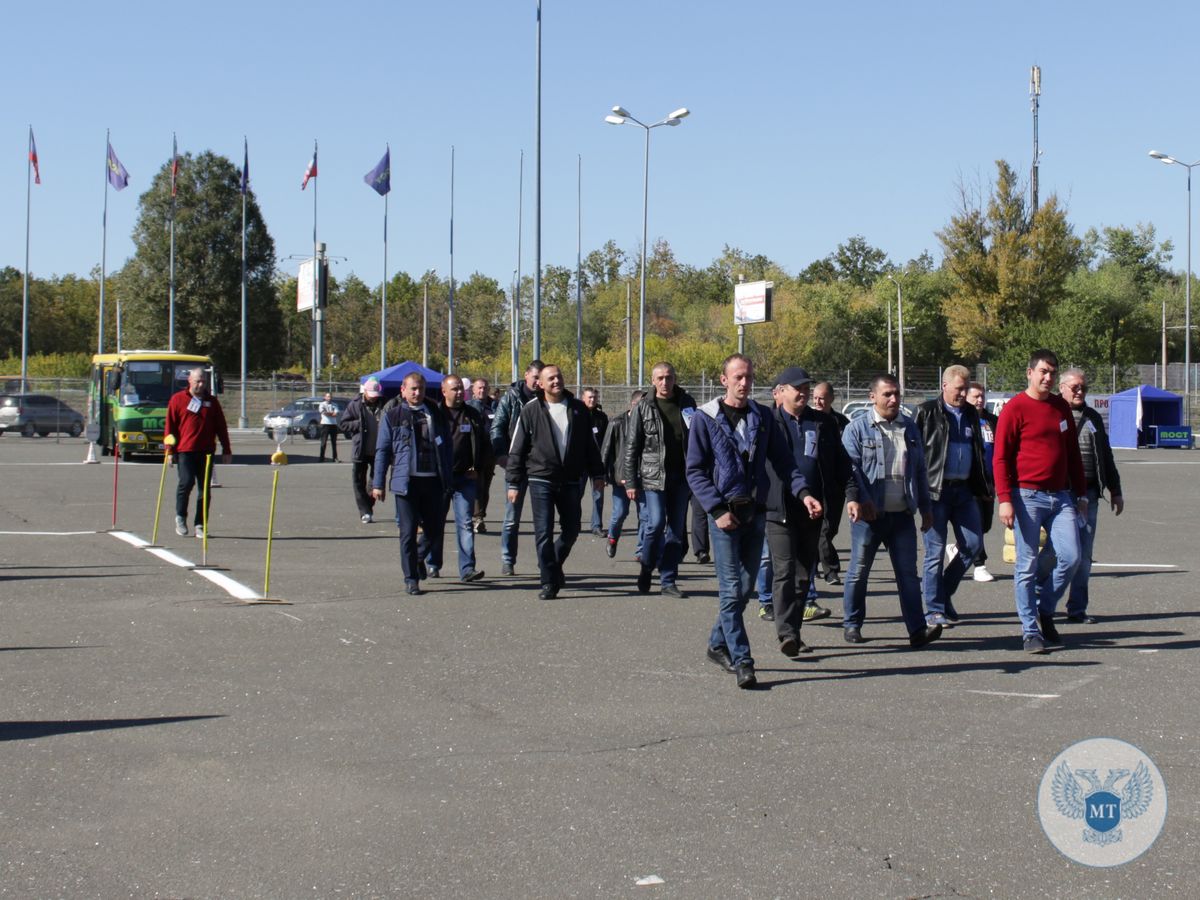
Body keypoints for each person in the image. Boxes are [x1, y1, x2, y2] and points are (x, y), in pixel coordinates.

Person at [686, 354, 808, 690]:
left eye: (749, 377)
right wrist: (715, 510)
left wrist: (803, 492)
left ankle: (716, 644)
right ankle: (743, 660)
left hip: (755, 514)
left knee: (744, 590)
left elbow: (784, 462)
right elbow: (694, 470)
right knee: (730, 591)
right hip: (723, 516)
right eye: (738, 377)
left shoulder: (763, 416)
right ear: (723, 380)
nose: (744, 383)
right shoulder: (704, 418)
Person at [993, 349, 1088, 653]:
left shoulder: (1061, 408)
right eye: (1043, 372)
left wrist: (1082, 493)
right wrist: (1005, 499)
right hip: (1026, 496)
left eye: (1052, 373)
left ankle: (1045, 608)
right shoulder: (1015, 409)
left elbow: (1072, 454)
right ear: (1030, 373)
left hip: (1060, 496)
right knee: (1027, 564)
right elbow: (1000, 458)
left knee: (1071, 557)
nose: (1048, 377)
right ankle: (1030, 631)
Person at [840, 374, 942, 649]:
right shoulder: (857, 428)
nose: (894, 399)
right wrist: (860, 500)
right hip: (869, 518)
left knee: (908, 575)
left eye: (896, 394)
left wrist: (926, 508)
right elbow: (850, 470)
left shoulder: (909, 428)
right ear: (872, 397)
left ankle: (917, 630)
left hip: (902, 516)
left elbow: (920, 470)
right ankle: (852, 623)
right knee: (859, 572)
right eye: (887, 394)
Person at [505, 364, 604, 599]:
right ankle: (548, 582)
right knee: (543, 532)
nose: (556, 381)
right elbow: (517, 449)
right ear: (540, 383)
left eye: (559, 376)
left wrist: (598, 474)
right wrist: (513, 482)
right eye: (551, 378)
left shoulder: (578, 409)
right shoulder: (531, 410)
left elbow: (590, 446)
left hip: (570, 478)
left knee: (572, 529)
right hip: (541, 478)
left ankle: (553, 563)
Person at [764, 367, 840, 657]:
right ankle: (785, 633)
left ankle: (793, 632)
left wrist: (852, 495)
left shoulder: (821, 422)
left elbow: (837, 462)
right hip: (779, 508)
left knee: (803, 575)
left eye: (807, 387)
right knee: (784, 570)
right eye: (797, 387)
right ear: (779, 392)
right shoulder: (768, 422)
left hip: (813, 508)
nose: (804, 392)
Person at [914, 364, 990, 627]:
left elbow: (979, 452)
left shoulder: (971, 414)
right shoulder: (925, 412)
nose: (963, 393)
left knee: (972, 544)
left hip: (964, 491)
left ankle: (943, 593)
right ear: (944, 386)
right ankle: (934, 609)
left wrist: (984, 487)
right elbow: (912, 454)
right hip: (935, 492)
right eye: (959, 388)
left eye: (966, 388)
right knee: (934, 552)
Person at [372, 373, 453, 596]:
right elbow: (383, 451)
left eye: (421, 389)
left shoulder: (435, 413)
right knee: (407, 533)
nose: (417, 393)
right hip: (406, 483)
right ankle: (411, 578)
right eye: (413, 389)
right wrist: (377, 483)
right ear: (403, 390)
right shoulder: (393, 415)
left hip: (433, 481)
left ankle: (418, 557)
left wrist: (448, 477)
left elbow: (446, 448)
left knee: (435, 529)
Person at [1055, 367, 1124, 624]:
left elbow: (1106, 456)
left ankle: (1077, 609)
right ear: (1061, 388)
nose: (1080, 391)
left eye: (1083, 387)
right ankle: (1041, 600)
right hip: (1060, 493)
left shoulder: (1093, 417)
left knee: (1083, 556)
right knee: (1055, 553)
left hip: (1090, 494)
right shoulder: (1052, 413)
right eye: (1074, 387)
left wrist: (1115, 490)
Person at [624, 363, 697, 598]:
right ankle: (646, 568)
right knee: (655, 524)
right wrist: (630, 480)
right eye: (660, 378)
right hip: (654, 476)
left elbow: (696, 438)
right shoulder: (644, 406)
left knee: (676, 530)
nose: (665, 382)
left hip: (681, 477)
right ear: (653, 380)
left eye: (669, 377)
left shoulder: (687, 403)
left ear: (675, 378)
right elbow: (631, 445)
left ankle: (668, 580)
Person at [164, 367, 232, 539]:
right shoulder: (178, 400)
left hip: (206, 452)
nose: (201, 384)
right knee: (186, 483)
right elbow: (170, 427)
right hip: (185, 451)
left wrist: (226, 449)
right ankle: (180, 517)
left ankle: (200, 524)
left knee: (204, 491)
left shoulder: (212, 402)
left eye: (203, 381)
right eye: (197, 381)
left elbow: (221, 427)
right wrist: (169, 451)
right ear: (190, 381)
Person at [436, 374, 491, 582]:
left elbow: (484, 443)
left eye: (461, 388)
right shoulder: (435, 414)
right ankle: (433, 562)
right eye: (455, 389)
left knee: (466, 523)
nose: (459, 392)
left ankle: (467, 568)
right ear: (444, 391)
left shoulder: (472, 414)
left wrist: (478, 467)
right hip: (440, 479)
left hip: (465, 478)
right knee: (436, 523)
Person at [492, 360, 544, 575]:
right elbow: (498, 427)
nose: (538, 383)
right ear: (526, 375)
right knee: (512, 516)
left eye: (541, 379)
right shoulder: (511, 398)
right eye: (535, 378)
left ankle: (545, 562)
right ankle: (507, 558)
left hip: (541, 466)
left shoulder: (546, 399)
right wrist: (502, 455)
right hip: (517, 464)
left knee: (543, 518)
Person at [810, 381, 850, 587]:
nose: (817, 401)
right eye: (815, 397)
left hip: (835, 485)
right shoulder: (808, 419)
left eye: (822, 397)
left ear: (831, 399)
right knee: (822, 530)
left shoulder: (841, 422)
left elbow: (846, 455)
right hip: (813, 484)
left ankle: (814, 562)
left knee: (830, 529)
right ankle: (831, 570)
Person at [601, 390, 645, 559]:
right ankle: (612, 538)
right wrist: (602, 474)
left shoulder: (649, 424)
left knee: (646, 516)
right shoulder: (617, 423)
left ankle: (641, 551)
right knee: (620, 513)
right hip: (622, 478)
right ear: (632, 405)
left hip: (643, 477)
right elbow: (606, 450)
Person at [339, 377, 386, 523]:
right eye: (371, 395)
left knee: (375, 482)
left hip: (378, 450)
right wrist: (359, 424)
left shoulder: (384, 404)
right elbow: (343, 424)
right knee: (358, 480)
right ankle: (365, 511)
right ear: (364, 391)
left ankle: (368, 505)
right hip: (360, 449)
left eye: (375, 396)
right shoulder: (355, 405)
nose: (373, 399)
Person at [965, 382, 998, 582]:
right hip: (969, 481)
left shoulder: (993, 420)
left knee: (985, 524)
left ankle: (959, 547)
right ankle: (979, 564)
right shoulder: (962, 419)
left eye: (982, 396)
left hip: (990, 481)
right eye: (975, 396)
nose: (980, 400)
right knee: (975, 522)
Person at [467, 377, 497, 533]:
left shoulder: (493, 406)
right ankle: (477, 518)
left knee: (485, 488)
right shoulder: (469, 407)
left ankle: (479, 516)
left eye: (484, 388)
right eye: (479, 388)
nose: (482, 390)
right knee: (477, 487)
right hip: (475, 454)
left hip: (490, 454)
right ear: (473, 389)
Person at [580, 388, 609, 536]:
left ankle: (596, 525)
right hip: (579, 463)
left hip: (597, 464)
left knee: (598, 496)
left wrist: (605, 464)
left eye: (595, 397)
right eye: (590, 397)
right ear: (583, 398)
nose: (593, 400)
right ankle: (573, 523)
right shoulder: (576, 414)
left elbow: (606, 441)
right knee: (576, 495)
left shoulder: (602, 417)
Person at [318, 392, 340, 462]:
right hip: (325, 424)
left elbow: (336, 413)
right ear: (325, 397)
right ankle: (321, 458)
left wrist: (330, 413)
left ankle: (335, 458)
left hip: (333, 424)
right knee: (323, 442)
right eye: (327, 396)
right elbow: (323, 412)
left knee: (334, 442)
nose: (329, 398)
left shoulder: (335, 405)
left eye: (330, 396)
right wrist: (331, 413)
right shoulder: (322, 404)